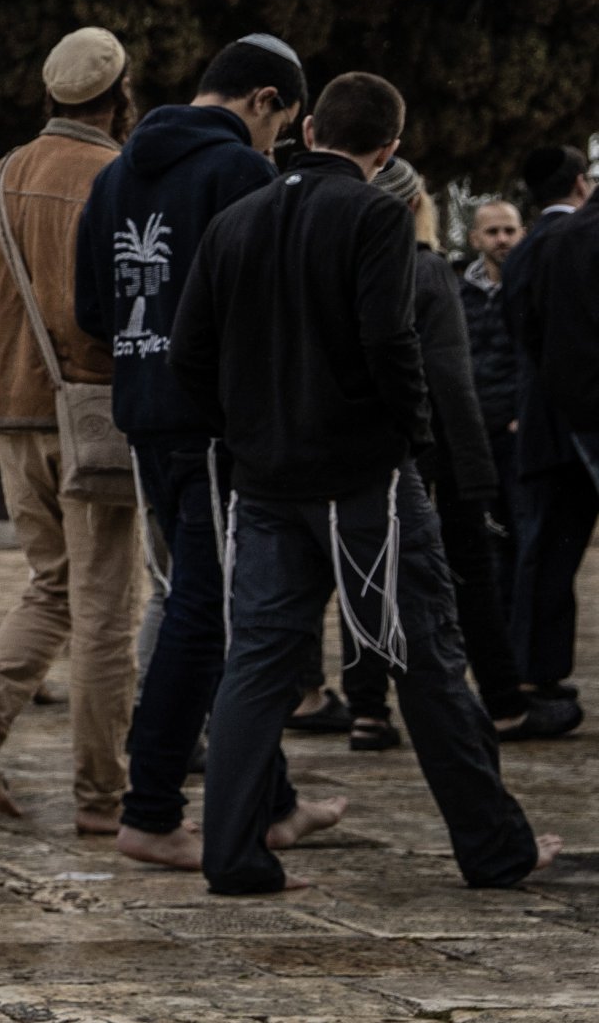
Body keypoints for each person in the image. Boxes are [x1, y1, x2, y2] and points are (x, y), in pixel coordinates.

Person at [173, 74, 554, 895]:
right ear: (389, 151)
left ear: (308, 127)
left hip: (264, 478)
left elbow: (188, 352)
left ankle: (234, 855)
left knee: (260, 663)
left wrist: (240, 428)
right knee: (426, 658)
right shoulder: (377, 215)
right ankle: (494, 847)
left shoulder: (235, 220)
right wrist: (411, 436)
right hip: (363, 481)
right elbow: (389, 338)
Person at [73, 33, 320, 871]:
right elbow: (270, 306)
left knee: (202, 597)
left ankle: (272, 802)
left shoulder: (113, 178)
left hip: (145, 412)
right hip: (215, 422)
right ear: (263, 99)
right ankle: (149, 811)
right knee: (208, 612)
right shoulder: (242, 175)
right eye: (279, 125)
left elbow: (93, 311)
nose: (275, 143)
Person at [0, 28, 142, 832]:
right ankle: (103, 796)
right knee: (106, 608)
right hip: (90, 413)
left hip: (9, 417)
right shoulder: (115, 178)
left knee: (54, 583)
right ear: (119, 98)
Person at [348, 159, 553, 743]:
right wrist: (474, 465)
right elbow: (450, 378)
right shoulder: (429, 272)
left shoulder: (347, 268)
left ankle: (367, 708)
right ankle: (505, 701)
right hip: (435, 444)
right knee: (473, 577)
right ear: (417, 206)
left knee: (365, 576)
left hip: (362, 446)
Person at [506, 143, 597, 716]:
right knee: (547, 556)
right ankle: (533, 673)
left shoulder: (525, 249)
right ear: (580, 184)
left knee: (550, 553)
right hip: (572, 417)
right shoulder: (570, 242)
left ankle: (539, 671)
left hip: (542, 419)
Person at [459, 196, 528, 622]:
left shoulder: (532, 284)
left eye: (509, 230)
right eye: (493, 231)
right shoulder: (457, 290)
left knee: (521, 534)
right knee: (480, 537)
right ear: (475, 238)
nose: (502, 239)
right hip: (473, 432)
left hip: (517, 429)